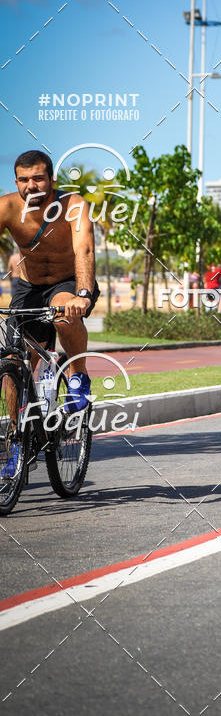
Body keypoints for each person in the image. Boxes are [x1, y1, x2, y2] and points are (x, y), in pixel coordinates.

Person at [0, 150, 98, 477]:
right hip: (28, 287)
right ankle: (18, 439)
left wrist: (83, 293)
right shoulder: (8, 207)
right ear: (16, 183)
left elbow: (84, 248)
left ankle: (78, 376)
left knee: (64, 313)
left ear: (52, 180)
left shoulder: (73, 206)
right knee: (13, 361)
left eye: (39, 178)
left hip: (68, 282)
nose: (32, 185)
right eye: (25, 180)